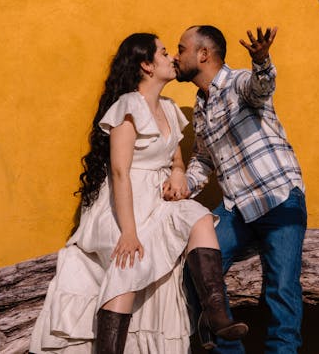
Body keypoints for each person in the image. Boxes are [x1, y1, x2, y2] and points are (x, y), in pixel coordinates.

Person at [30, 33, 247, 354]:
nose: (172, 57)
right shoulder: (128, 107)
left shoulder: (170, 109)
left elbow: (174, 158)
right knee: (129, 264)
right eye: (162, 53)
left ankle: (216, 316)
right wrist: (129, 232)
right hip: (123, 204)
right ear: (146, 65)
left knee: (199, 216)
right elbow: (119, 171)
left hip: (159, 201)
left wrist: (176, 172)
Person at [168, 25, 307, 353]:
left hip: (278, 199)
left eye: (181, 48)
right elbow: (203, 159)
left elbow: (261, 87)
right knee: (196, 268)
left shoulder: (238, 82)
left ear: (203, 54)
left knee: (281, 292)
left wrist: (262, 61)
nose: (176, 56)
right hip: (237, 209)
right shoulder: (200, 105)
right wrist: (182, 187)